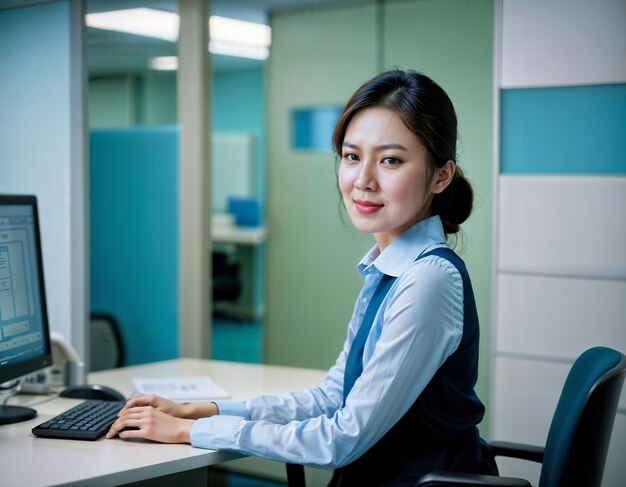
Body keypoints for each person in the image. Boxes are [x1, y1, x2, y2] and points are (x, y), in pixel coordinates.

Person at [106, 69, 497, 486]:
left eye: (390, 160)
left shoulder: (428, 281)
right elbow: (332, 398)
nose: (362, 181)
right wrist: (205, 412)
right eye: (351, 156)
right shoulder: (387, 269)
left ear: (441, 175)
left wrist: (190, 432)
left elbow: (341, 439)